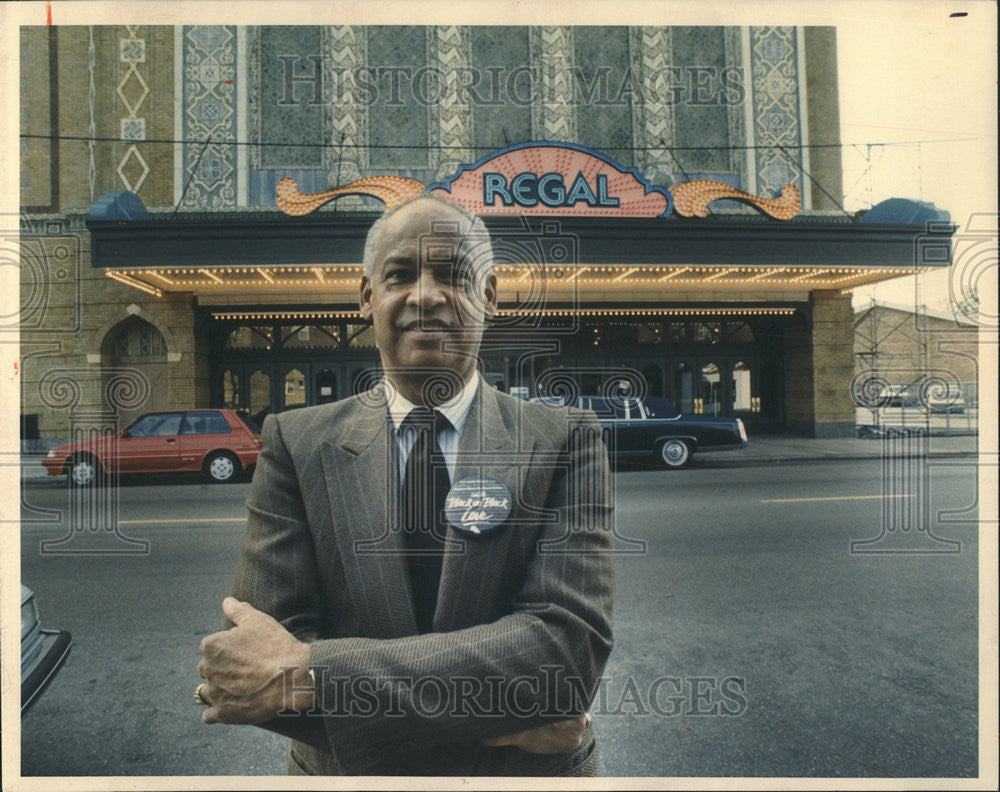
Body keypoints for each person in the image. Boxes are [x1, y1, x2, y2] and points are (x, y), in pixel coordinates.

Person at [196, 195, 614, 776]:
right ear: (367, 297)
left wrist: (310, 675)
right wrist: (506, 709)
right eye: (399, 275)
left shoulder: (565, 439)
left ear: (489, 296)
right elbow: (254, 670)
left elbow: (565, 655)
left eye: (452, 275)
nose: (424, 294)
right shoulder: (296, 442)